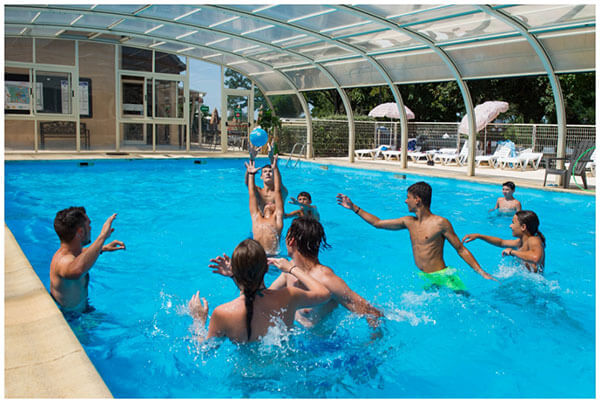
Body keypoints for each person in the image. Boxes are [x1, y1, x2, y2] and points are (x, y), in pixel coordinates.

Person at [337, 182, 497, 293]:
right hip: (425, 278)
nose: (406, 200)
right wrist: (353, 208)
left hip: (443, 277)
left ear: (417, 200)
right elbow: (377, 223)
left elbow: (460, 249)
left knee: (467, 306)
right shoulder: (408, 222)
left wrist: (481, 272)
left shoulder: (440, 223)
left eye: (408, 197)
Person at [188, 239, 330, 343]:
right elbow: (324, 293)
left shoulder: (223, 313)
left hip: (246, 380)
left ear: (237, 272)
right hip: (286, 373)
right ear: (267, 269)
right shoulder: (289, 296)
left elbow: (204, 351)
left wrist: (198, 320)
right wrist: (292, 269)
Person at [268, 217, 382, 328]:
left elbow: (373, 313)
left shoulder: (326, 279)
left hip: (324, 345)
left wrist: (373, 340)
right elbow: (266, 297)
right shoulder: (288, 270)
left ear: (291, 241)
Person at [50, 207, 125, 315]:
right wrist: (102, 236)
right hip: (72, 321)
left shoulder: (71, 252)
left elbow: (81, 255)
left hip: (83, 311)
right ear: (80, 232)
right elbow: (77, 270)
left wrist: (102, 248)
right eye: (88, 225)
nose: (90, 228)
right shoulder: (63, 262)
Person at [462, 210, 545, 273]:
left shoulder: (534, 240)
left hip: (534, 285)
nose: (510, 226)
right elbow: (501, 242)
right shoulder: (520, 242)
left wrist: (512, 252)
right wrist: (479, 236)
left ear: (523, 227)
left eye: (513, 223)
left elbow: (535, 258)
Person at [246, 155, 284, 256]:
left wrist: (275, 168)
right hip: (256, 256)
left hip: (273, 258)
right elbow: (252, 193)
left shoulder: (277, 219)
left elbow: (278, 190)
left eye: (273, 203)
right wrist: (251, 174)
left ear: (277, 208)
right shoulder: (256, 217)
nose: (269, 203)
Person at [245, 143, 288, 213]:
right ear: (261, 177)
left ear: (274, 175)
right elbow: (247, 183)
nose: (268, 173)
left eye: (270, 171)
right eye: (265, 172)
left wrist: (272, 159)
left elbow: (279, 183)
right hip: (260, 222)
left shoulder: (281, 192)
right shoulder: (258, 192)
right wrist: (251, 159)